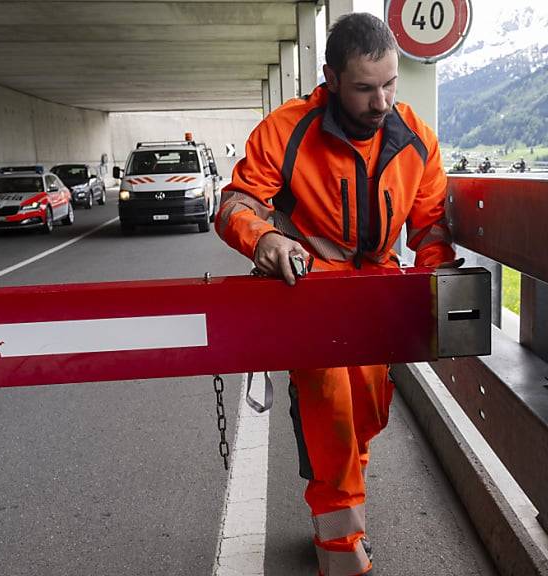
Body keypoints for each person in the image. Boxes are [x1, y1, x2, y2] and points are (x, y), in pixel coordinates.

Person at [215, 12, 454, 576]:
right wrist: (265, 239)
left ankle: (339, 495)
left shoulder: (416, 137)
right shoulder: (287, 129)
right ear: (330, 78)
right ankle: (341, 551)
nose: (381, 102)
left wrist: (435, 282)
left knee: (366, 412)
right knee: (332, 407)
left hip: (376, 293)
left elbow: (431, 225)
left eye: (390, 84)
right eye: (365, 89)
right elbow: (236, 203)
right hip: (312, 288)